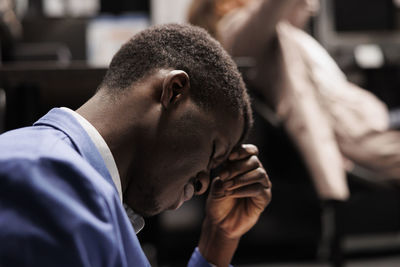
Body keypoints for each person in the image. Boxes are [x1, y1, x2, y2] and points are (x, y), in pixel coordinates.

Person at [0, 24, 271, 267]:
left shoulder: (92, 198)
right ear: (174, 91)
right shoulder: (38, 174)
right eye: (214, 151)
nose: (203, 185)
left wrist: (218, 239)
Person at [189, 0, 400, 201]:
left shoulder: (276, 34)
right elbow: (272, 7)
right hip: (361, 134)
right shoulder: (236, 31)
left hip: (368, 124)